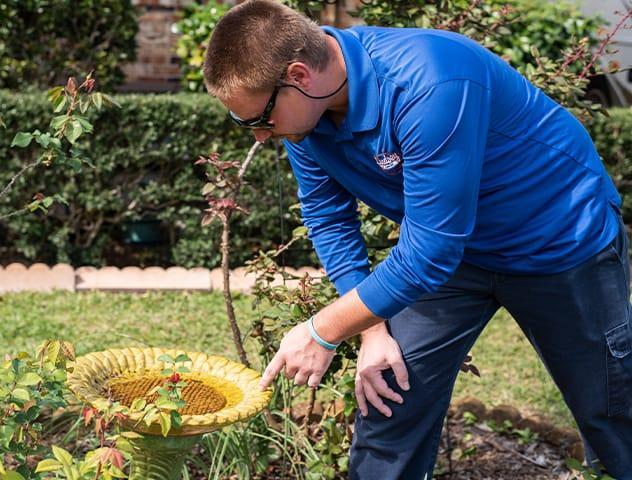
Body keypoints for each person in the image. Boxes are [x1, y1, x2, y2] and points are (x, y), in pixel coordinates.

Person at [202, 1, 632, 478]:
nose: (261, 137)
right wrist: (370, 329)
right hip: (452, 256)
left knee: (609, 411)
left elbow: (431, 252)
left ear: (299, 75)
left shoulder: (431, 82)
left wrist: (323, 330)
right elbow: (328, 216)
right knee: (388, 398)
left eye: (258, 119)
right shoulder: (307, 122)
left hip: (559, 240)